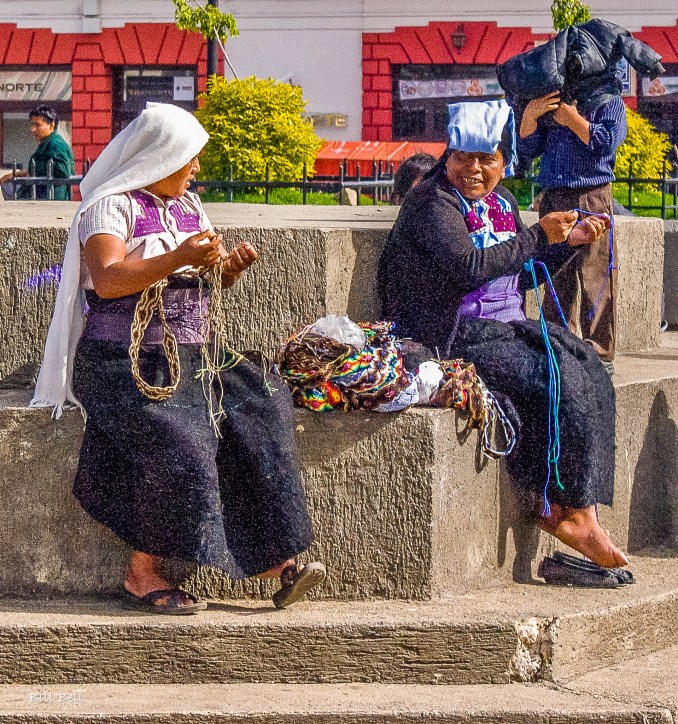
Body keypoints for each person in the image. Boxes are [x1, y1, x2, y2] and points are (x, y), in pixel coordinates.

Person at [30, 103, 326, 614]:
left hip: (196, 353)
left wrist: (226, 269)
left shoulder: (188, 206)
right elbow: (109, 278)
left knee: (263, 409)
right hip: (122, 360)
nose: (195, 169)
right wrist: (180, 257)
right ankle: (142, 573)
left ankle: (276, 562)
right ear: (158, 155)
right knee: (182, 437)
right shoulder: (110, 207)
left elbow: (204, 277)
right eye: (188, 158)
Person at [378, 99, 628, 570]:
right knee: (547, 378)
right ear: (447, 157)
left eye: (486, 159)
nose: (474, 169)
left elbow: (522, 275)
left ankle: (582, 508)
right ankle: (558, 508)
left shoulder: (503, 203)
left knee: (588, 367)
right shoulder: (433, 204)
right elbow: (465, 269)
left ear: (503, 160)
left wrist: (566, 246)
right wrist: (538, 236)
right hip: (455, 333)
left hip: (506, 324)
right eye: (462, 157)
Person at [517, 91, 626, 367]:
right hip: (554, 195)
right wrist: (530, 115)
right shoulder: (549, 101)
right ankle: (558, 348)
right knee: (554, 276)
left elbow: (608, 142)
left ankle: (600, 355)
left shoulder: (608, 100)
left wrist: (573, 119)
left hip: (592, 192)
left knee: (597, 276)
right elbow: (529, 150)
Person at [0, 106, 75, 200]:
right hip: (41, 193)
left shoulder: (56, 145)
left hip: (51, 196)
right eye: (32, 125)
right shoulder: (47, 143)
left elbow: (63, 172)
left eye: (37, 125)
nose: (33, 129)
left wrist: (30, 172)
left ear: (51, 125)